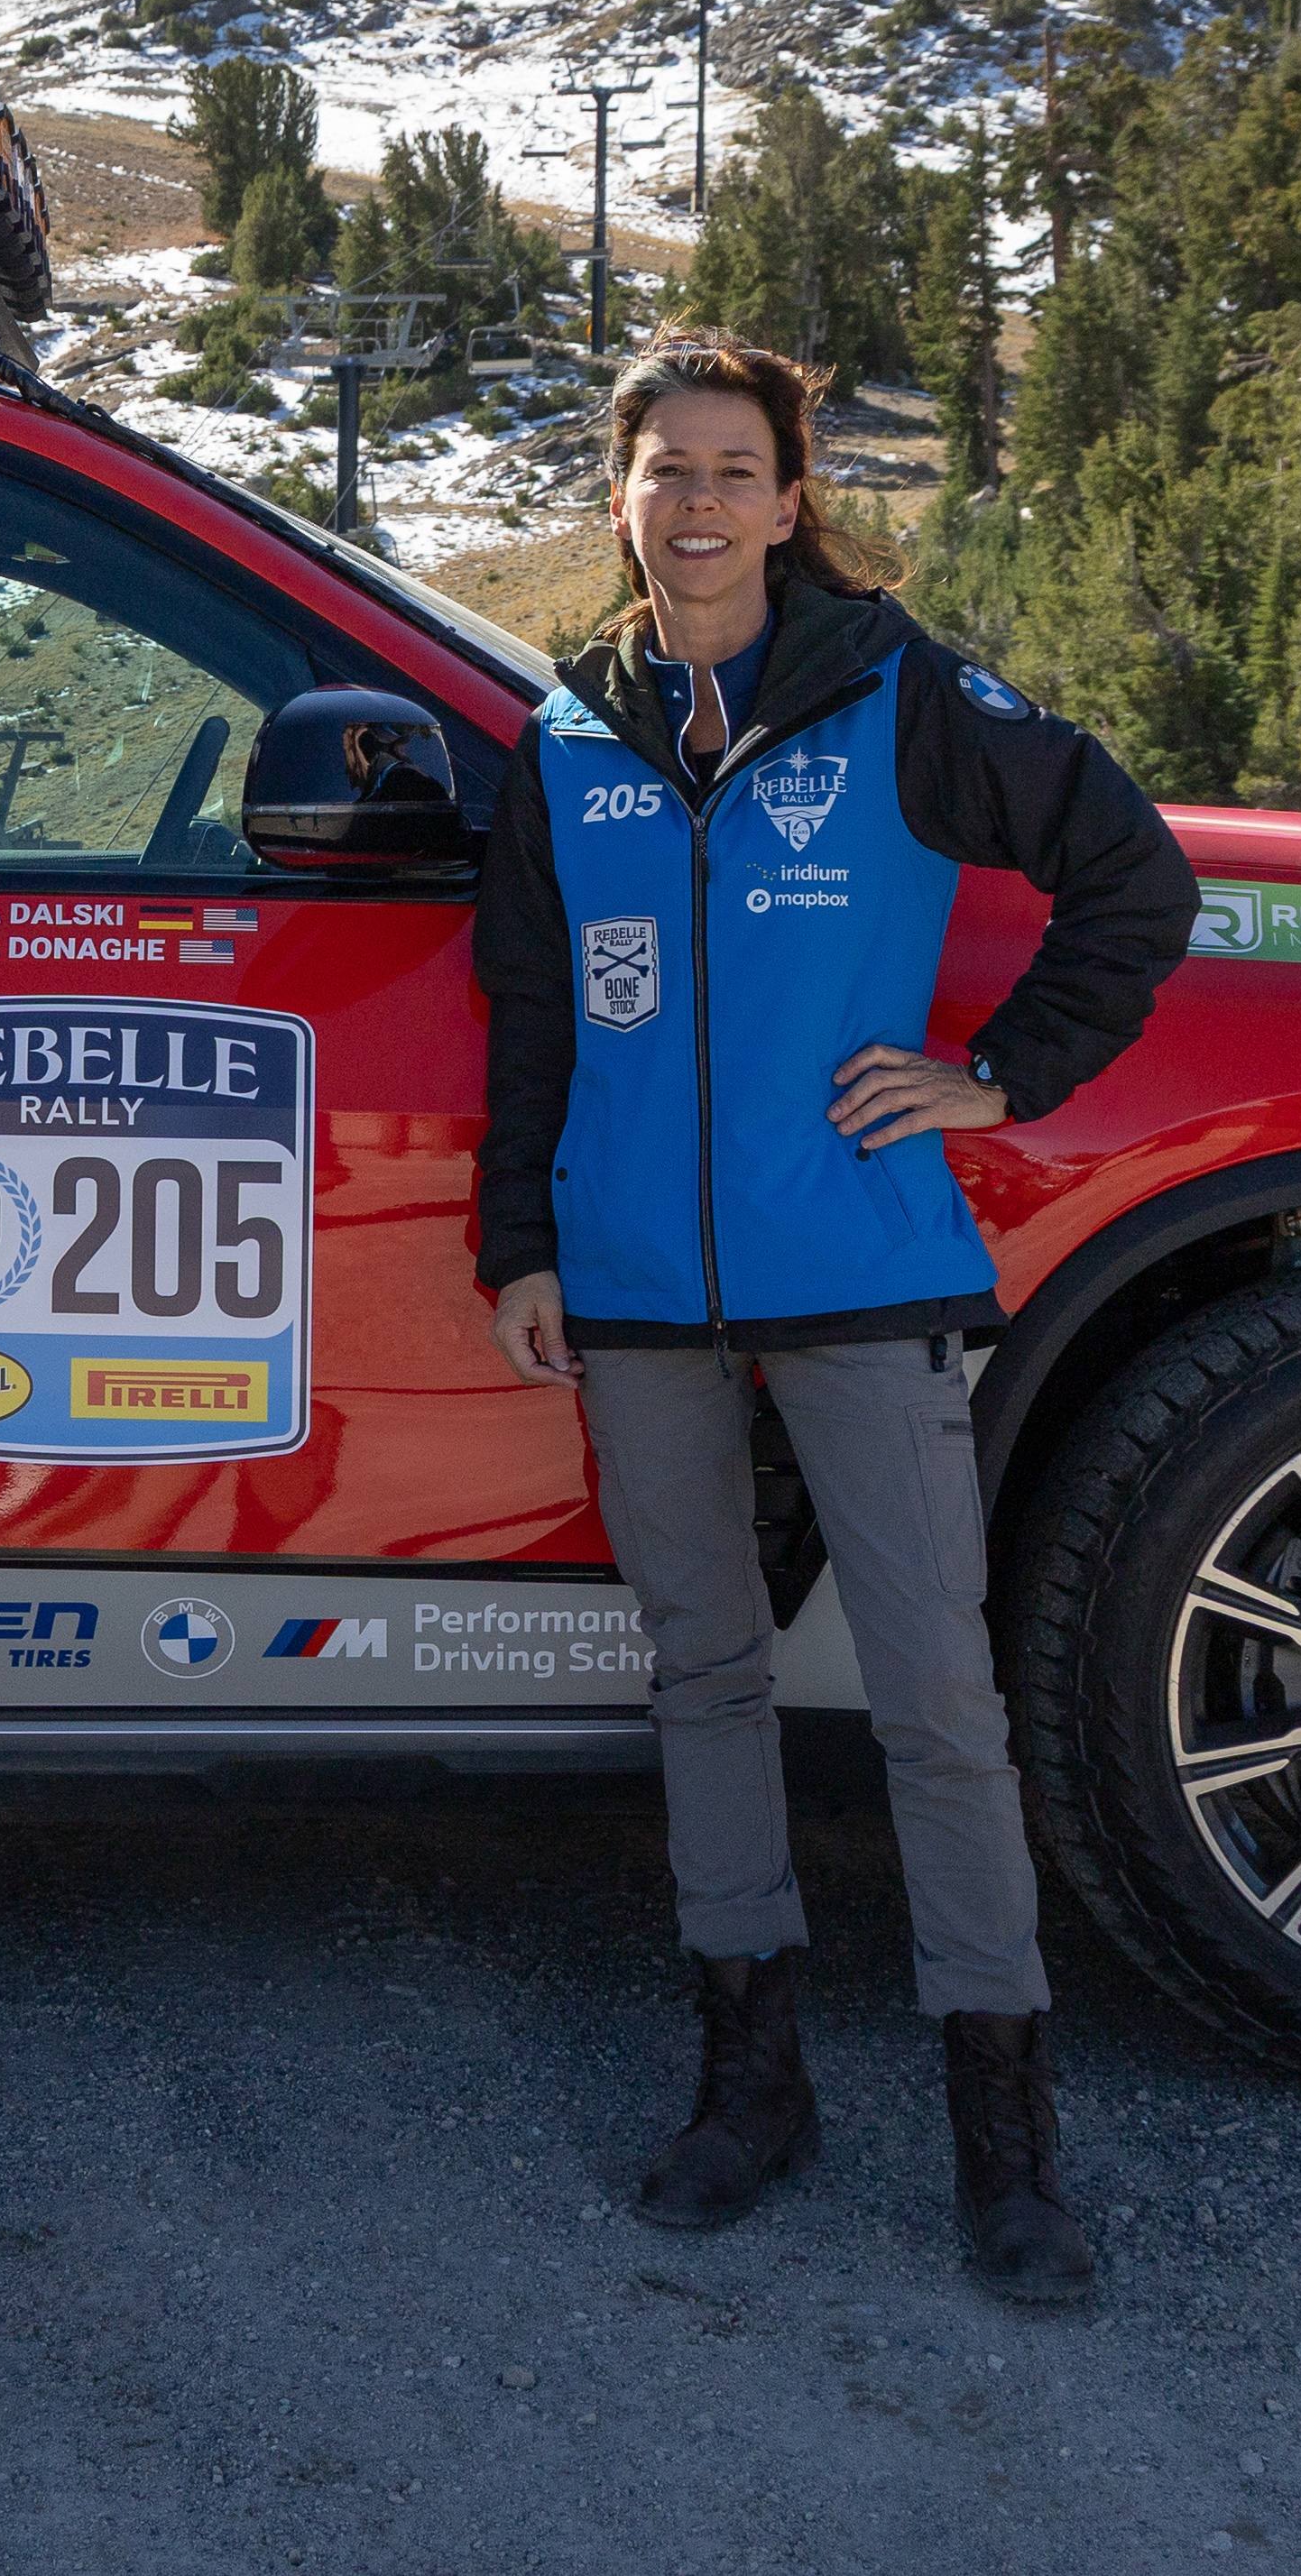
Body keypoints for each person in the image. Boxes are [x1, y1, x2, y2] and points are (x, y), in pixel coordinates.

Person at [471, 336, 1193, 2304]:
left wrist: (998, 1072)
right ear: (615, 500)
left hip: (854, 1269)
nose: (695, 503)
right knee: (701, 1673)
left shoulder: (898, 691)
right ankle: (749, 2080)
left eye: (732, 468)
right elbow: (526, 1020)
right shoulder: (563, 740)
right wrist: (515, 1243)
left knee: (932, 1698)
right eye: (661, 470)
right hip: (626, 1283)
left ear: (789, 500)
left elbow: (1128, 876)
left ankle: (1002, 2135)